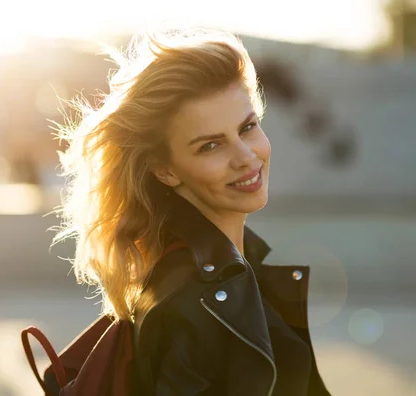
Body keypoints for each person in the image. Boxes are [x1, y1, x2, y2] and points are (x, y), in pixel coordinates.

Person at [52, 27, 331, 395]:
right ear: (165, 169)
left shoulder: (233, 270)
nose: (246, 158)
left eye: (247, 128)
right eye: (211, 145)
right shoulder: (192, 301)